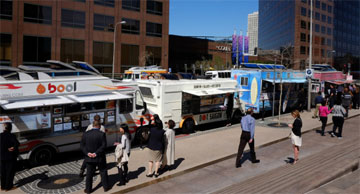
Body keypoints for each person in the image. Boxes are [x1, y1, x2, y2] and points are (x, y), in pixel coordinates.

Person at [81, 121, 109, 193]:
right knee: (103, 171)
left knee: (89, 174)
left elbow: (82, 146)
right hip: (100, 157)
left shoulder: (86, 134)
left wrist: (88, 153)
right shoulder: (101, 134)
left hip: (89, 158)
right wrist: (96, 153)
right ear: (99, 126)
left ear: (92, 125)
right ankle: (105, 187)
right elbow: (104, 146)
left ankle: (88, 189)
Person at [0, 122, 19, 191]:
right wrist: (13, 147)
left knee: (3, 172)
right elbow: (17, 144)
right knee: (10, 172)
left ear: (4, 128)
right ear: (10, 128)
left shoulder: (0, 135)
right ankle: (8, 187)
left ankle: (2, 186)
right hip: (10, 157)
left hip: (1, 157)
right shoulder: (11, 136)